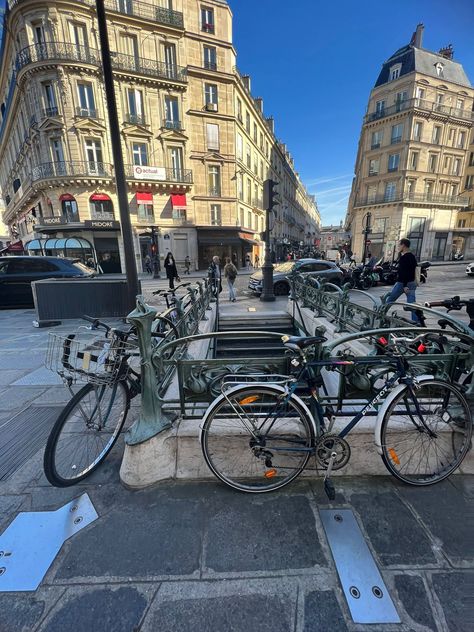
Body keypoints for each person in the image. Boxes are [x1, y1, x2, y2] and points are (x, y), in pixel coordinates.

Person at [385, 238, 418, 322]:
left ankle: (379, 314)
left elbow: (404, 272)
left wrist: (405, 285)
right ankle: (416, 322)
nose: (398, 247)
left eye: (399, 245)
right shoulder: (412, 256)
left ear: (403, 245)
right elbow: (413, 270)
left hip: (402, 283)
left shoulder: (404, 258)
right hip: (412, 282)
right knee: (412, 304)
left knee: (389, 300)